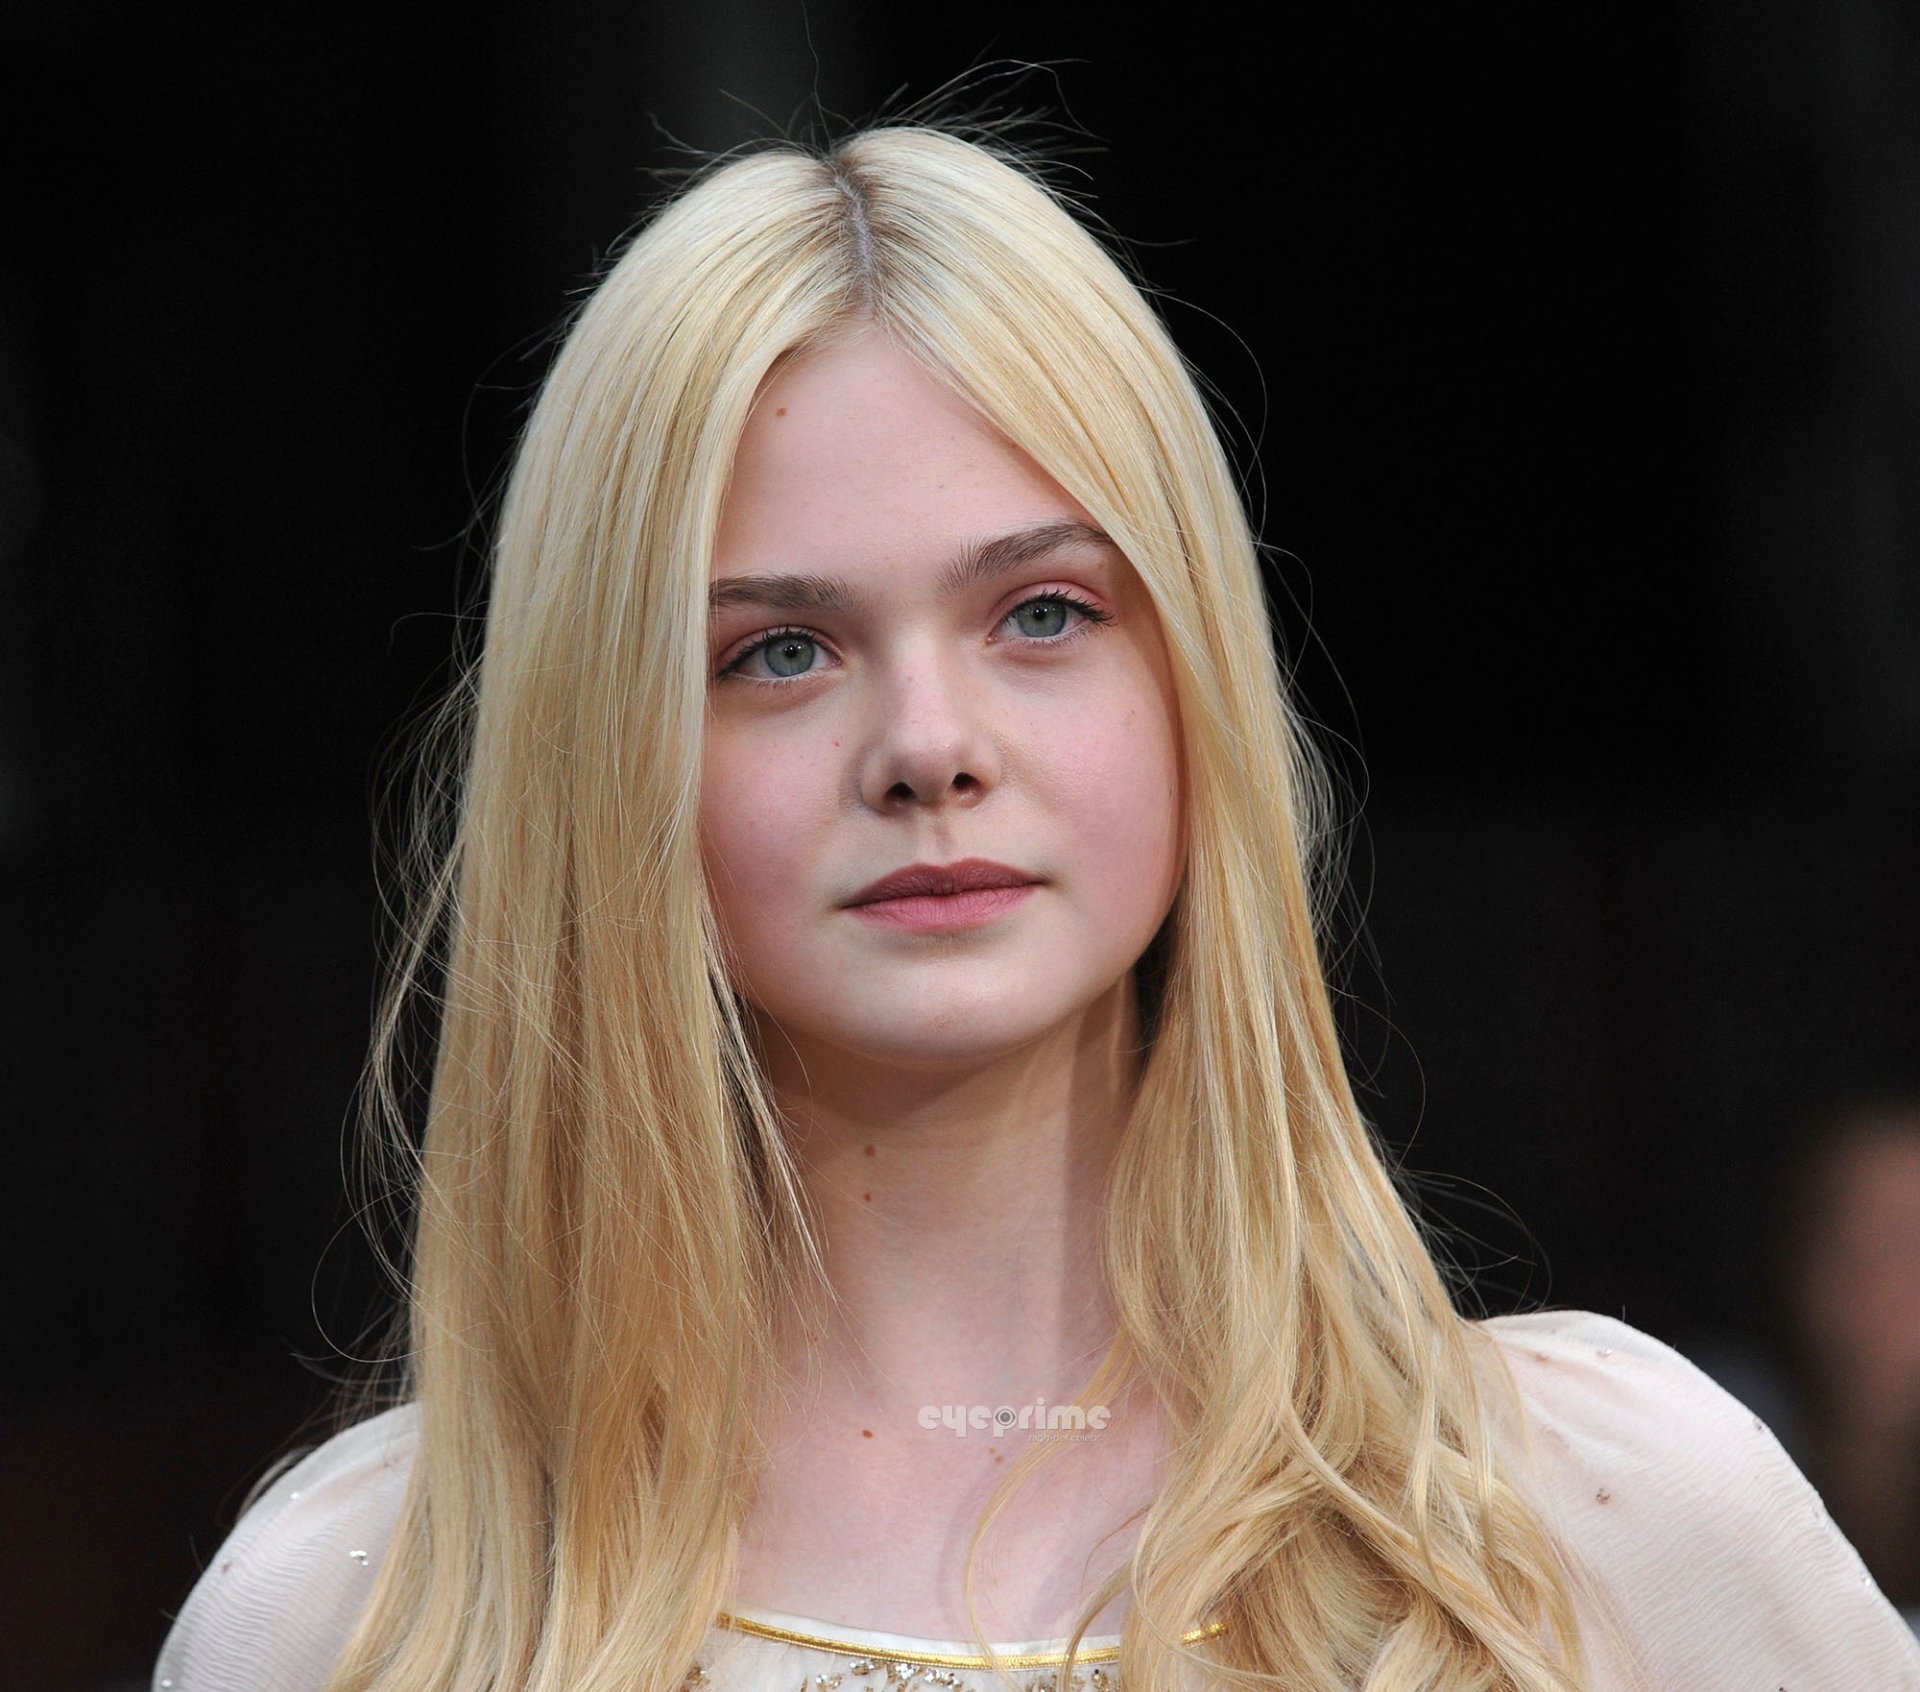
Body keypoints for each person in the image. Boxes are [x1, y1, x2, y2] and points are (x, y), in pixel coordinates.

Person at [151, 123, 1920, 1692]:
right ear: (608, 775)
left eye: (1044, 614)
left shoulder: (1597, 1520)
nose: (929, 748)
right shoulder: (362, 1618)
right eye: (779, 651)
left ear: (1196, 679)